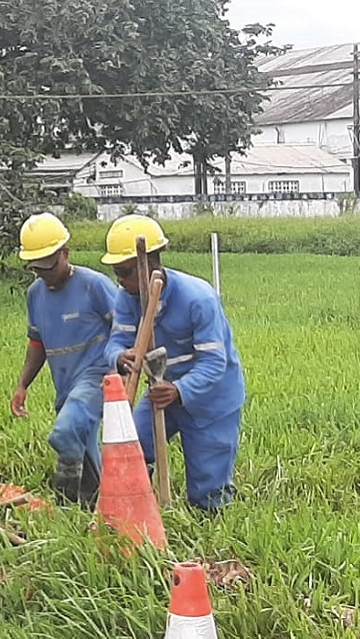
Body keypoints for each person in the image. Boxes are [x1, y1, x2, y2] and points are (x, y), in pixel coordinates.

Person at [102, 215, 245, 511]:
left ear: (150, 264)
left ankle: (213, 530)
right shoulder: (127, 297)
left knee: (206, 493)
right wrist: (120, 356)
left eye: (125, 272)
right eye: (116, 273)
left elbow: (213, 362)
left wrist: (179, 390)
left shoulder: (198, 298)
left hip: (212, 399)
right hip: (161, 393)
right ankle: (141, 507)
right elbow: (115, 343)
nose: (120, 280)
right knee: (134, 444)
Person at [10, 213, 118, 508]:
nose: (46, 273)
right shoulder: (35, 295)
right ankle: (99, 506)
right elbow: (37, 343)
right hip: (66, 384)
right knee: (83, 447)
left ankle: (67, 501)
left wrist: (125, 367)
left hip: (98, 375)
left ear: (65, 253)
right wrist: (23, 385)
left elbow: (126, 328)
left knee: (66, 431)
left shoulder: (94, 285)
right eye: (38, 268)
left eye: (50, 264)